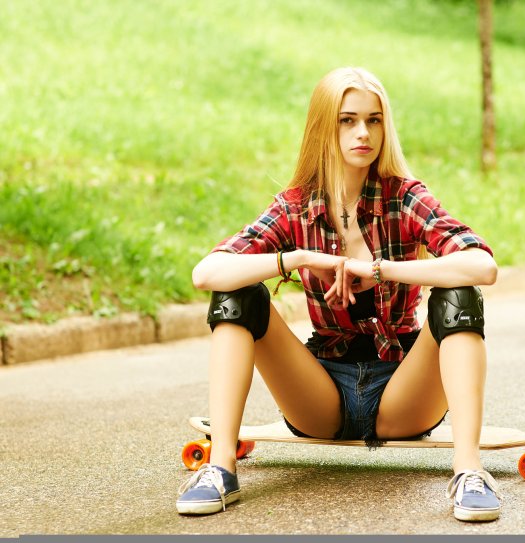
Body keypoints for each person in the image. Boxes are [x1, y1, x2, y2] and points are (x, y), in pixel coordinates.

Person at [176, 67, 501, 522]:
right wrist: (299, 259)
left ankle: (469, 472)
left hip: (401, 391)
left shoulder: (404, 198)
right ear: (323, 127)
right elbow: (206, 272)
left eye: (374, 119)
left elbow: (483, 265)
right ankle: (219, 469)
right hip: (321, 393)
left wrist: (383, 270)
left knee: (459, 294)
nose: (363, 132)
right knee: (239, 294)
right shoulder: (295, 206)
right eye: (347, 120)